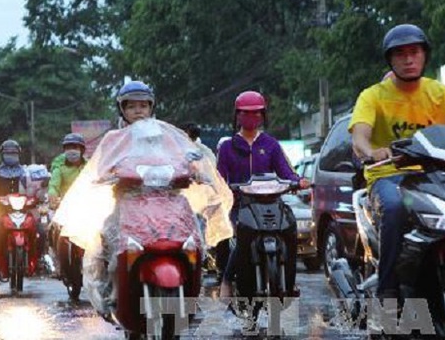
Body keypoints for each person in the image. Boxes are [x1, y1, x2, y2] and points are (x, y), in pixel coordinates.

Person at [56, 80, 233, 314]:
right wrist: (107, 175)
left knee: (193, 242)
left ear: (151, 107)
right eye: (131, 106)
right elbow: (102, 166)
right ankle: (109, 293)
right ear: (122, 110)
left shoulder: (166, 134)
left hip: (170, 201)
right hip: (128, 202)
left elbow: (185, 157)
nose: (138, 111)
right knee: (104, 244)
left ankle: (190, 292)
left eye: (143, 105)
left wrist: (197, 171)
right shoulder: (113, 138)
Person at [349, 24, 445, 300]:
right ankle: (387, 288)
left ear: (425, 55)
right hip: (390, 176)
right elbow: (359, 136)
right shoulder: (373, 96)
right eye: (400, 54)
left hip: (435, 173)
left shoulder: (439, 92)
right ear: (390, 60)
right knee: (393, 208)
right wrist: (372, 150)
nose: (408, 59)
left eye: (414, 52)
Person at [217, 90, 310, 297]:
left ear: (263, 115)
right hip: (240, 204)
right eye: (247, 113)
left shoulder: (271, 144)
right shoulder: (227, 147)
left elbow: (286, 172)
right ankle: (226, 280)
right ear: (237, 116)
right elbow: (220, 177)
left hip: (272, 204)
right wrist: (219, 189)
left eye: (257, 113)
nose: (252, 117)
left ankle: (290, 282)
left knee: (290, 229)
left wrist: (298, 182)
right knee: (241, 236)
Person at [48, 132, 88, 284]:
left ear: (82, 149)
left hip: (87, 208)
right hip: (65, 208)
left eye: (75, 147)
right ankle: (58, 263)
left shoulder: (89, 166)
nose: (72, 150)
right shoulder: (60, 167)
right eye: (69, 147)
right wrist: (53, 197)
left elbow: (98, 181)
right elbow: (53, 185)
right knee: (54, 231)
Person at [0, 139, 27, 275]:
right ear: (2, 155)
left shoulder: (25, 172)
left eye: (13, 153)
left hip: (22, 209)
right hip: (2, 210)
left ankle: (38, 259)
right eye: (7, 153)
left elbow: (31, 189)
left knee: (39, 228)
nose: (10, 155)